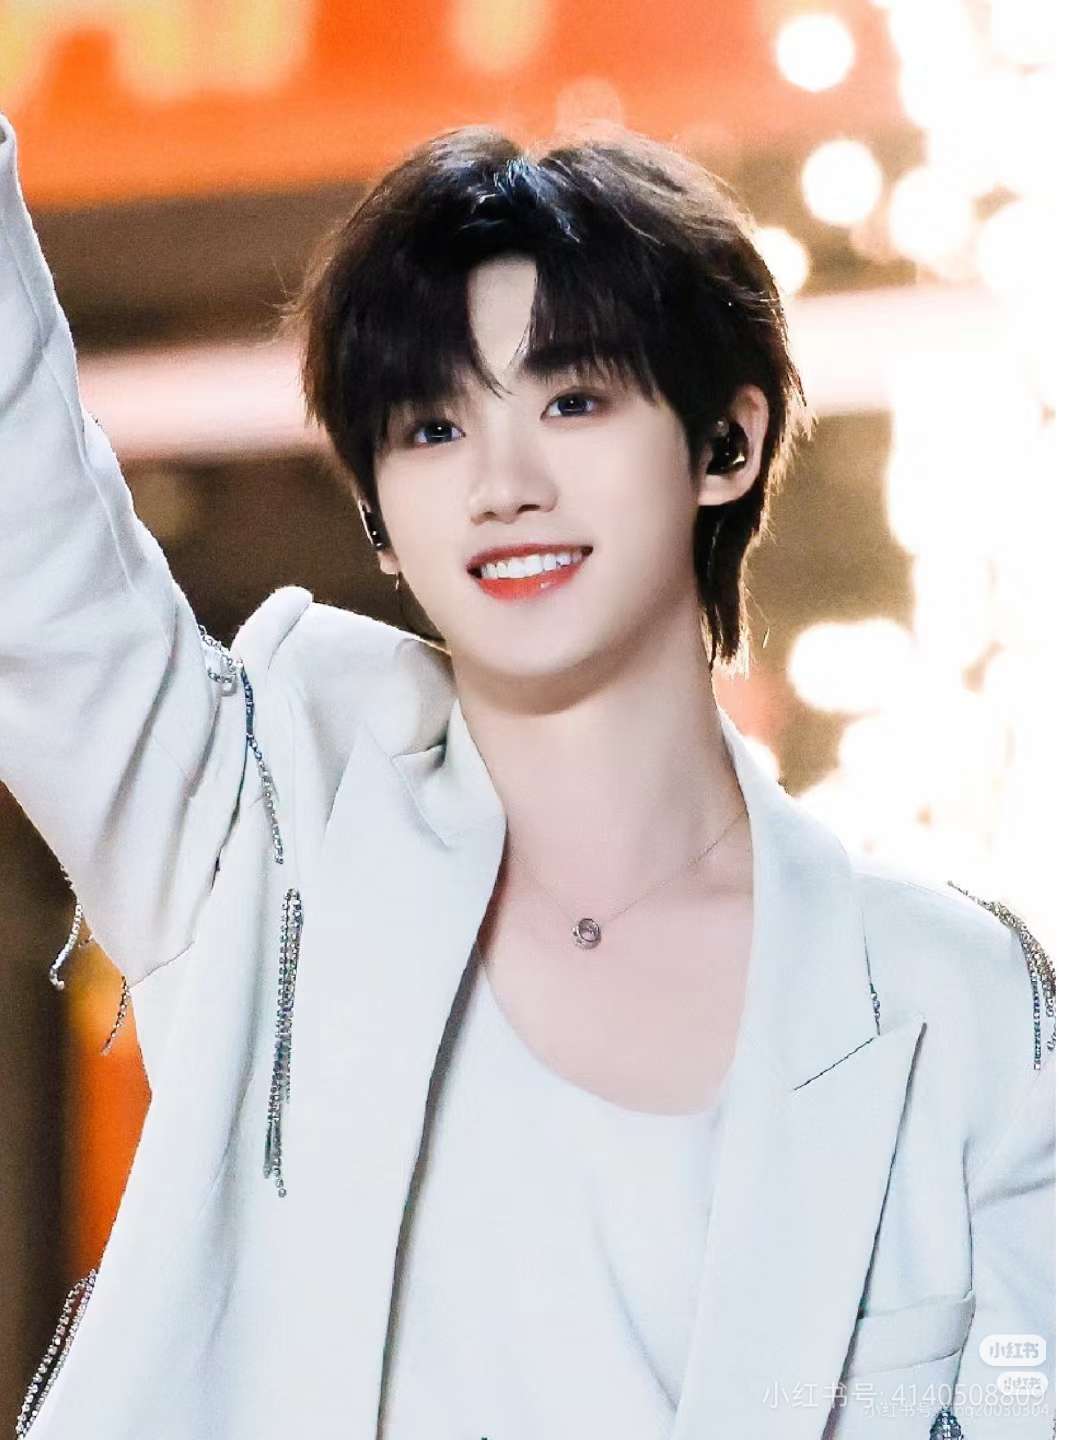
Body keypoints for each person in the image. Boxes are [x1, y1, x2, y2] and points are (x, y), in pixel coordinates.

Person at [0, 110, 1054, 1440]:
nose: (502, 484)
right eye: (432, 427)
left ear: (725, 445)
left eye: (571, 401)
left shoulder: (955, 1004)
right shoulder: (261, 825)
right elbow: (28, 533)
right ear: (379, 515)